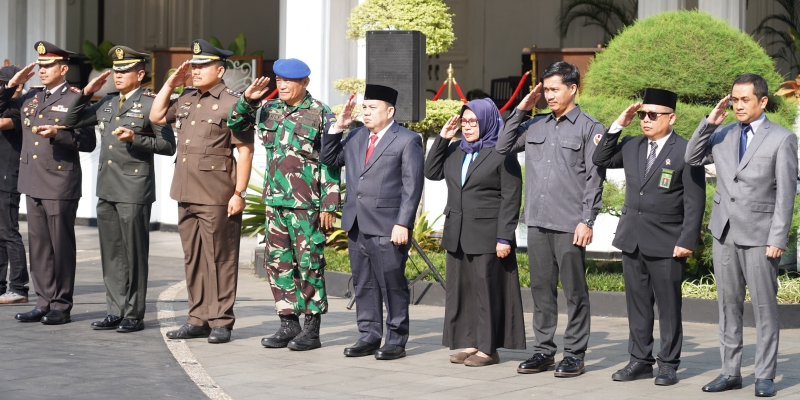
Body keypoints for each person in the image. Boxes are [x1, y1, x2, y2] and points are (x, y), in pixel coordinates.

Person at [686, 73, 798, 397]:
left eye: (744, 99)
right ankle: (730, 372)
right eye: (734, 99)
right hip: (725, 232)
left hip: (762, 236)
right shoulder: (721, 134)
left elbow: (786, 195)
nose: (737, 105)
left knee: (764, 309)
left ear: (762, 101)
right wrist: (709, 122)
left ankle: (765, 375)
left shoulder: (782, 139)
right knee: (727, 307)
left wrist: (778, 238)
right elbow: (691, 157)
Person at [496, 61, 605, 377]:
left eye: (555, 89)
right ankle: (543, 351)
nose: (549, 95)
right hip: (538, 222)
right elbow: (503, 146)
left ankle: (574, 353)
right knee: (541, 291)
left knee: (574, 293)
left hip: (570, 224)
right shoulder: (535, 126)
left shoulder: (589, 127)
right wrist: (522, 110)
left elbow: (594, 179)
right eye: (545, 90)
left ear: (573, 88)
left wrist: (588, 220)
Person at [593, 88, 705, 386]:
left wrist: (687, 240)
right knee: (638, 304)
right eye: (642, 115)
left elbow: (695, 201)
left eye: (653, 115)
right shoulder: (632, 146)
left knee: (668, 307)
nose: (646, 120)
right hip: (633, 238)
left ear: (672, 117)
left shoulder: (685, 150)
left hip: (668, 241)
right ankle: (640, 360)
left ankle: (668, 363)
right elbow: (599, 157)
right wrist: (619, 125)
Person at [62, 46, 176, 332]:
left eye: (125, 71)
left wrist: (136, 138)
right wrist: (87, 91)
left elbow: (167, 145)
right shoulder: (108, 102)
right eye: (116, 70)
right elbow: (70, 121)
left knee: (134, 253)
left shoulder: (152, 104)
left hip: (134, 188)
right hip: (108, 187)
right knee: (111, 253)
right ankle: (115, 309)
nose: (118, 75)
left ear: (139, 75)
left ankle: (133, 314)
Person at [229, 59, 340, 351]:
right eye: (279, 80)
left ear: (305, 83)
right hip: (275, 202)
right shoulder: (268, 108)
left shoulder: (320, 113)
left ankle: (311, 328)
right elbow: (236, 124)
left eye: (288, 81)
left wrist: (329, 204)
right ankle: (288, 323)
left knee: (309, 264)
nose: (282, 85)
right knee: (278, 264)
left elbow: (330, 161)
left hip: (307, 205)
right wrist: (246, 100)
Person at [149, 39, 254, 344]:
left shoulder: (234, 103)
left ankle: (221, 320)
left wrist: (239, 193)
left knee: (219, 258)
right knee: (193, 257)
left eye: (202, 66)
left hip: (217, 194)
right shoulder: (186, 98)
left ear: (220, 70)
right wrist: (170, 83)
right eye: (193, 66)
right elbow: (156, 117)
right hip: (186, 190)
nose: (195, 71)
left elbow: (245, 151)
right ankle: (198, 318)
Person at [321, 84, 424, 360]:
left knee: (392, 284)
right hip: (357, 224)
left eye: (372, 108)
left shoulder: (407, 139)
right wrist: (337, 127)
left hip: (388, 226)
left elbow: (412, 186)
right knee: (363, 283)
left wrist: (403, 223)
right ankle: (369, 335)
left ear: (389, 111)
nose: (366, 113)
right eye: (364, 108)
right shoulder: (355, 136)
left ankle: (396, 338)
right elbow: (329, 159)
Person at [424, 98, 525, 367]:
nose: (467, 127)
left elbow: (511, 197)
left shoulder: (502, 152)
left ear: (487, 121)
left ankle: (488, 348)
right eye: (464, 121)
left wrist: (504, 236)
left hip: (487, 234)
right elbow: (432, 172)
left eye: (473, 122)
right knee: (462, 291)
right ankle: (470, 342)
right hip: (457, 232)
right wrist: (443, 139)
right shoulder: (458, 149)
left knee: (485, 291)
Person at [0, 42, 96, 324]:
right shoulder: (30, 97)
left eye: (48, 66)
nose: (42, 71)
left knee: (60, 245)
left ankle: (61, 304)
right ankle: (43, 301)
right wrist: (11, 86)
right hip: (32, 181)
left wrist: (58, 134)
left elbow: (88, 141)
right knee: (39, 245)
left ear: (63, 69)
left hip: (59, 181)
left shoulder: (75, 98)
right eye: (40, 66)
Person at [0, 65, 30, 305]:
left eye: (4, 83)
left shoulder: (20, 109)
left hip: (9, 176)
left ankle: (18, 287)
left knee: (9, 232)